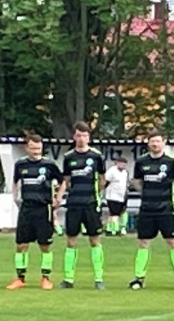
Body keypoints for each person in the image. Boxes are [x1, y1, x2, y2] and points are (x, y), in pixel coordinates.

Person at [130, 131, 174, 289]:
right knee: (143, 242)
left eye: (158, 141)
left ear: (164, 142)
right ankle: (139, 278)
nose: (155, 144)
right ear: (148, 143)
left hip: (166, 209)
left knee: (172, 241)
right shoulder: (141, 162)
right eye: (152, 141)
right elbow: (137, 181)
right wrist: (147, 194)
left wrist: (170, 196)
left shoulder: (172, 163)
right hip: (147, 209)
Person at [8, 134, 61, 290]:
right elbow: (15, 182)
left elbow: (63, 181)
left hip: (43, 208)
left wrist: (58, 198)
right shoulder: (20, 164)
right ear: (27, 148)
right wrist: (15, 197)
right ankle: (20, 278)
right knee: (21, 245)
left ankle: (46, 278)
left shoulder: (49, 165)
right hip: (26, 208)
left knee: (44, 245)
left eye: (39, 148)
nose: (36, 151)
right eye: (33, 148)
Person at [59, 123, 108, 289]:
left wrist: (94, 194)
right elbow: (66, 180)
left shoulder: (96, 156)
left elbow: (102, 180)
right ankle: (68, 278)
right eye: (79, 135)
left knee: (94, 240)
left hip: (91, 203)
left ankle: (99, 278)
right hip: (74, 204)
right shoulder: (68, 157)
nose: (81, 139)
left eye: (85, 135)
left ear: (89, 137)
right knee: (71, 240)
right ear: (74, 137)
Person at [103, 156, 131, 236]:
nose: (123, 165)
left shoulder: (125, 172)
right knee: (114, 214)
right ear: (117, 163)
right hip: (112, 196)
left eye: (124, 164)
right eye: (121, 163)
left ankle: (110, 229)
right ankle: (114, 230)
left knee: (119, 213)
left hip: (122, 196)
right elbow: (106, 182)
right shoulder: (111, 171)